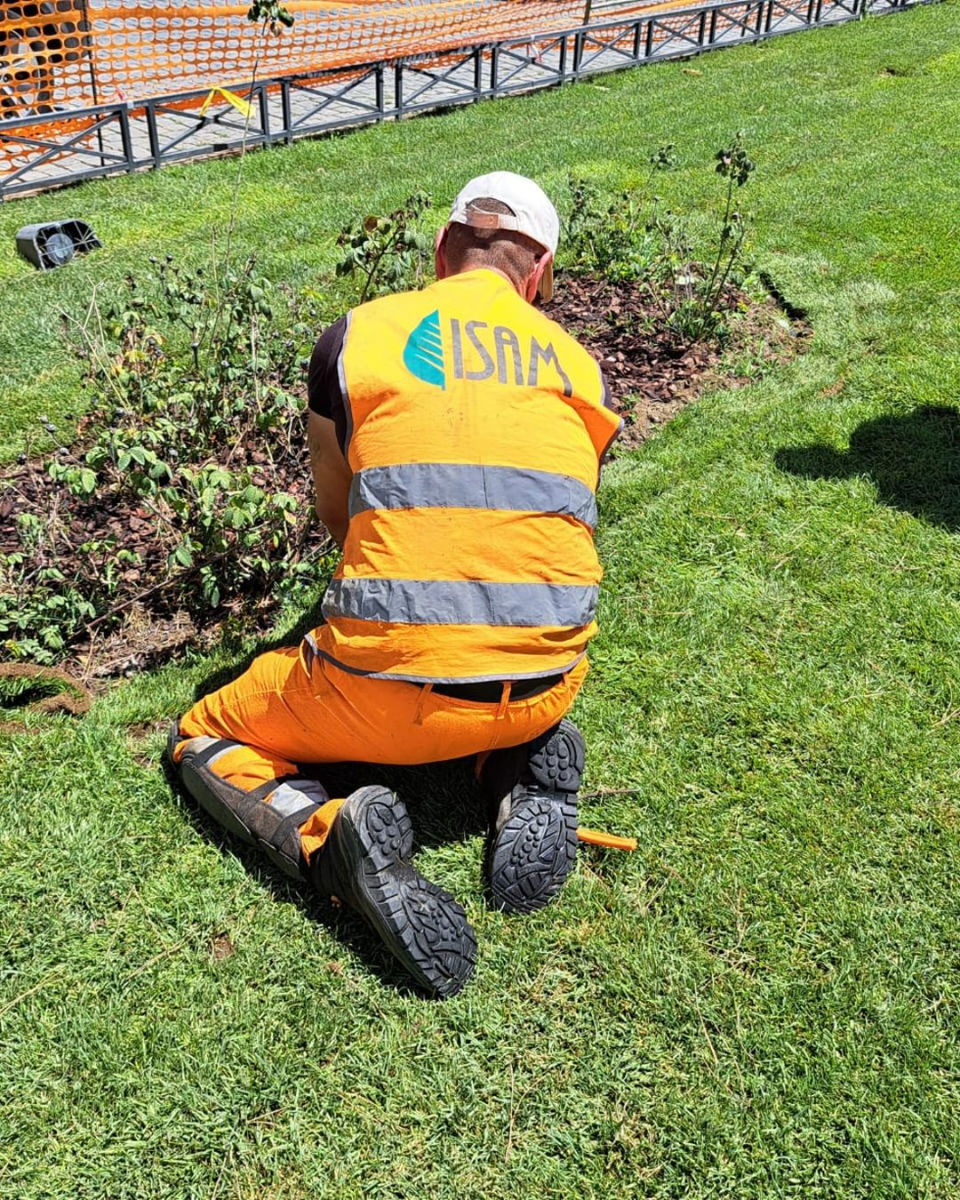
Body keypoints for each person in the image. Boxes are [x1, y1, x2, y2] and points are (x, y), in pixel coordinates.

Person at [169, 172, 621, 998]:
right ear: (541, 272)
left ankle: (327, 836)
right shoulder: (582, 371)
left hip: (383, 698)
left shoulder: (357, 338)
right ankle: (517, 762)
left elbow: (339, 515)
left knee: (204, 733)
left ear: (442, 249)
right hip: (550, 680)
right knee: (509, 669)